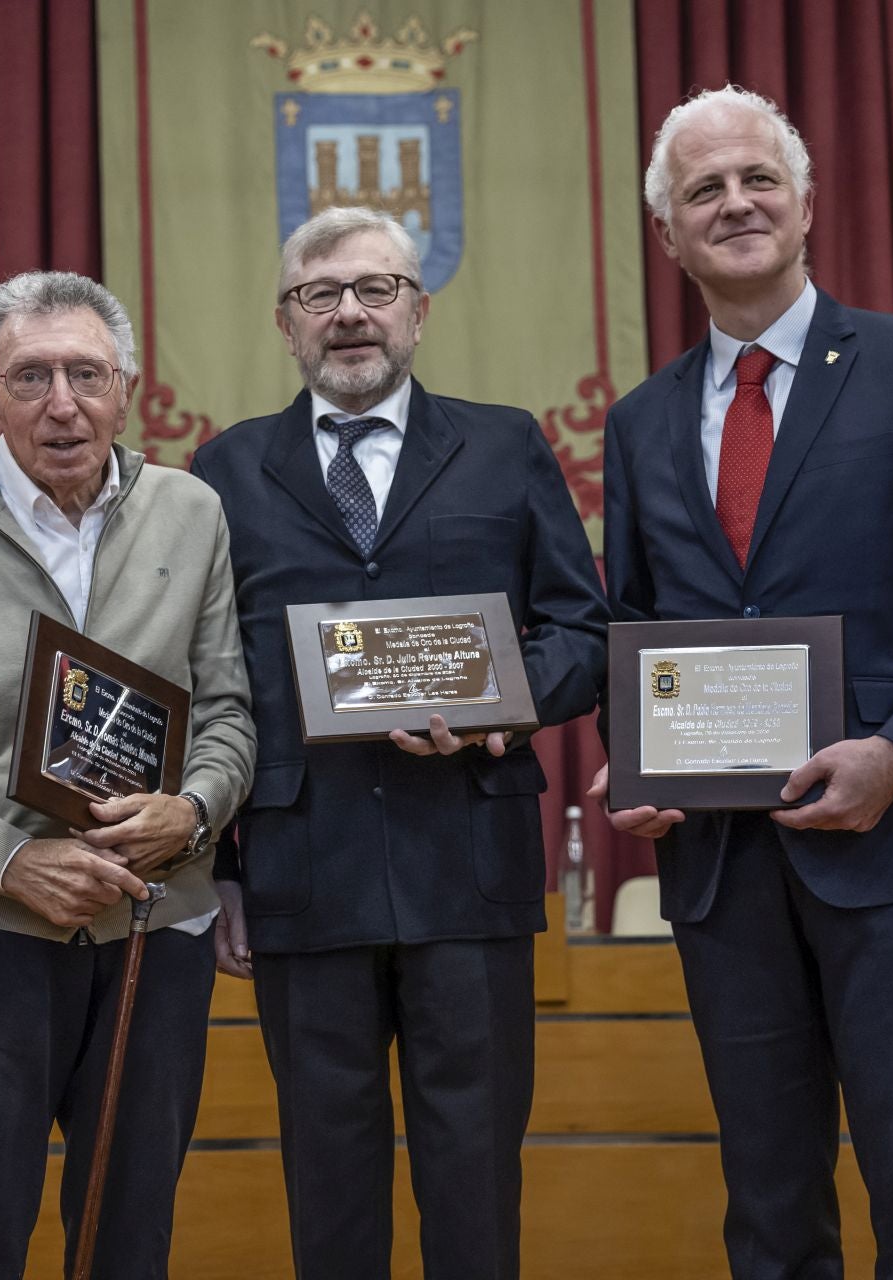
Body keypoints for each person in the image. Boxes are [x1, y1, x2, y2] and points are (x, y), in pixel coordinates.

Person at [591, 86, 893, 1279]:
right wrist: (635, 752)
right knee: (768, 1200)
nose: (736, 201)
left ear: (805, 206)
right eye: (705, 189)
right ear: (668, 235)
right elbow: (641, 620)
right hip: (724, 868)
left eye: (759, 180)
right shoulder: (642, 421)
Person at [189, 207, 608, 1280]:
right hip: (301, 871)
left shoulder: (506, 442)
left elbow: (584, 633)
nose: (350, 314)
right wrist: (222, 870)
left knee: (474, 1177)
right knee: (326, 1182)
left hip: (467, 862)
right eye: (320, 295)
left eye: (375, 290)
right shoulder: (225, 469)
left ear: (418, 311)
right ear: (285, 324)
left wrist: (498, 705)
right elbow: (206, 678)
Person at [0, 270, 255, 1277]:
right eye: (30, 376)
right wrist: (14, 856)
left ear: (126, 388)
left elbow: (230, 712)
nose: (62, 402)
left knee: (129, 1235)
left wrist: (193, 808)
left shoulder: (191, 512)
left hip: (153, 925)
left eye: (86, 372)